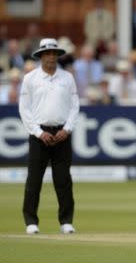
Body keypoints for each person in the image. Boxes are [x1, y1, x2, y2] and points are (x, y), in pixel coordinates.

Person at [19, 38, 80, 234]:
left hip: (62, 133)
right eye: (48, 54)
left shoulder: (67, 78)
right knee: (34, 180)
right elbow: (24, 109)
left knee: (63, 180)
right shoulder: (30, 78)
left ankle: (66, 221)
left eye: (54, 53)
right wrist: (38, 132)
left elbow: (74, 106)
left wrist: (67, 129)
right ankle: (31, 222)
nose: (51, 57)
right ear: (41, 56)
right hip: (39, 134)